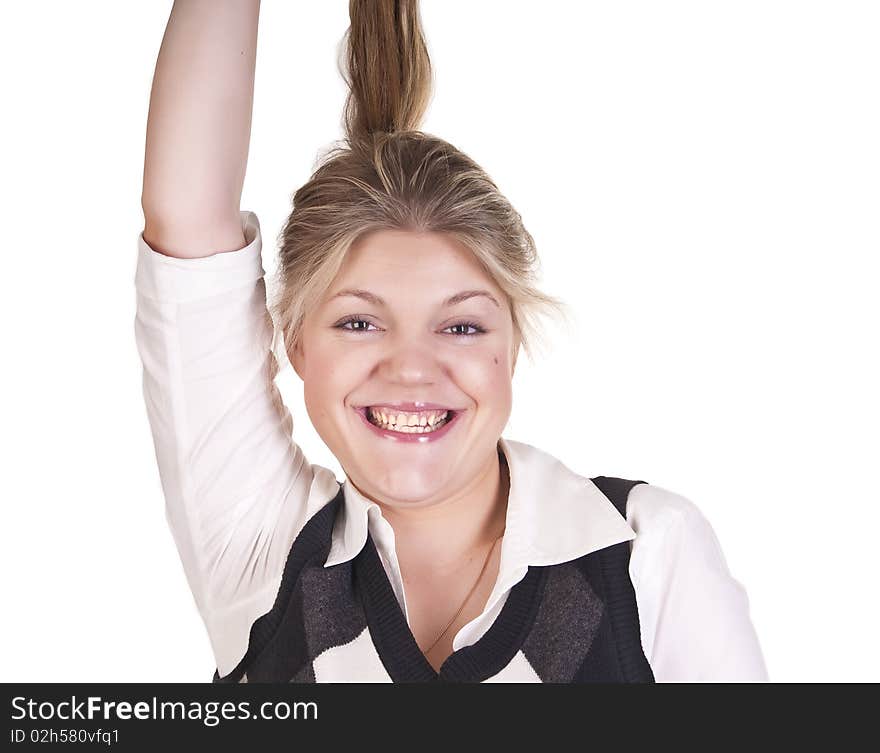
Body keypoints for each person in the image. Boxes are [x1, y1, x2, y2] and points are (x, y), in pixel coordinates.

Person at [135, 0, 768, 682]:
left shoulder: (644, 555)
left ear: (512, 344)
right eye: (359, 321)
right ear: (296, 346)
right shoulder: (267, 553)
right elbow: (188, 221)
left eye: (461, 325)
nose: (412, 369)